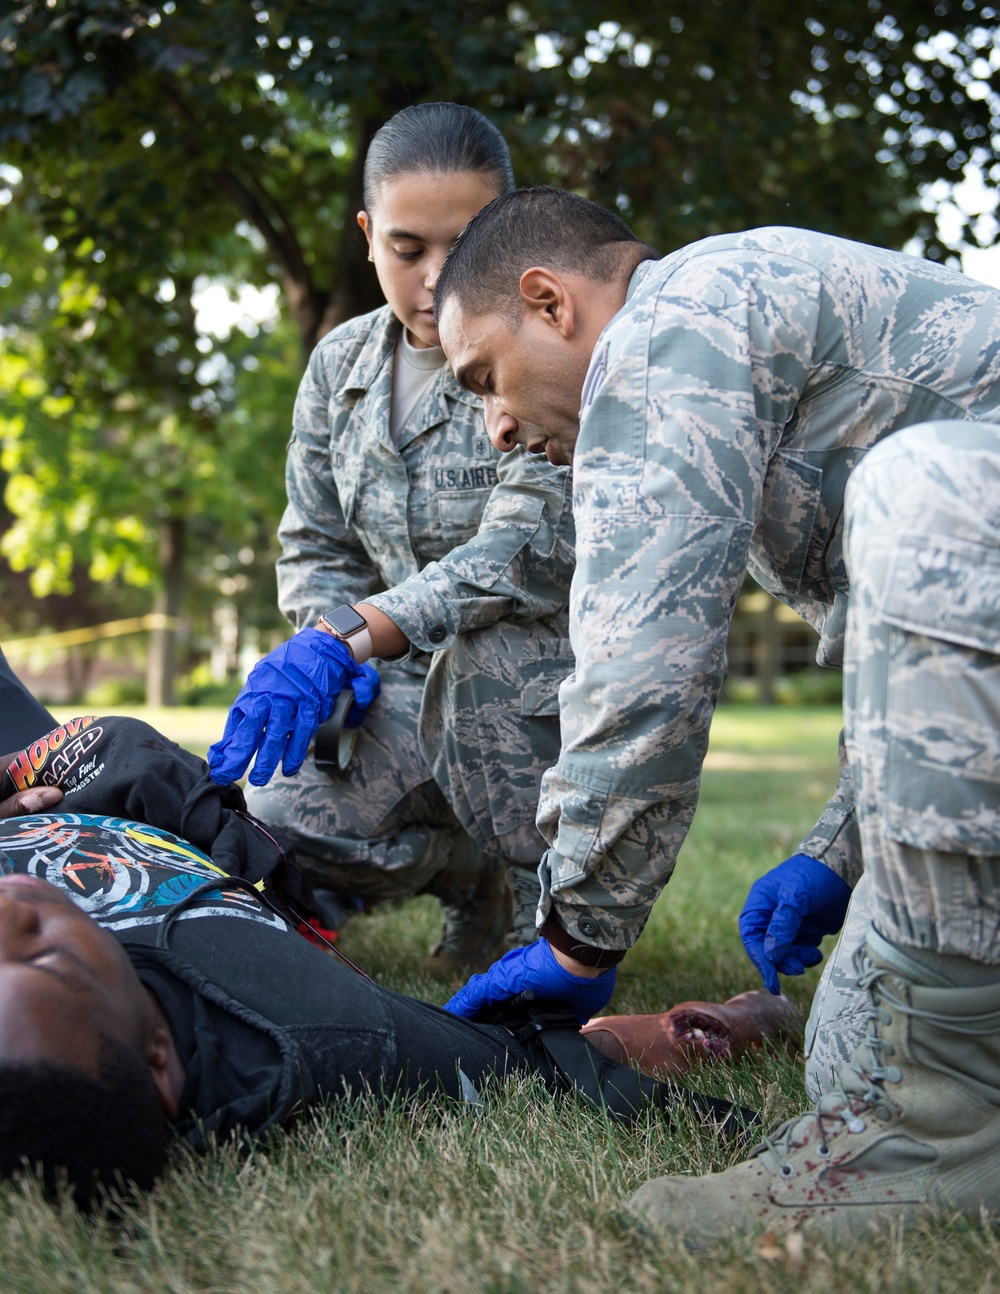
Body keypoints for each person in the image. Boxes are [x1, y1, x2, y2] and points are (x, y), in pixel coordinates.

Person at [432, 187, 1000, 1237]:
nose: (496, 424)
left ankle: (939, 1135)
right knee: (853, 1040)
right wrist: (838, 850)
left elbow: (640, 674)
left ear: (549, 302)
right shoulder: (733, 336)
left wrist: (576, 937)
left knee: (918, 491)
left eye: (484, 377)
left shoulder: (665, 330)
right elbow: (928, 664)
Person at [0, 710, 751, 1207]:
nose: (8, 913)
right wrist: (717, 1023)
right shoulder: (305, 1023)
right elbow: (546, 1065)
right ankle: (464, 875)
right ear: (159, 1058)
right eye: (43, 961)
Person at [209, 103, 576, 974]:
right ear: (369, 234)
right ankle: (470, 874)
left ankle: (550, 923)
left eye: (467, 244)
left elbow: (521, 551)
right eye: (408, 249)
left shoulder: (555, 352)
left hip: (537, 684)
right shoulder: (340, 365)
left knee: (507, 700)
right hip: (393, 679)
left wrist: (357, 629)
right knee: (273, 815)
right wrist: (332, 650)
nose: (438, 277)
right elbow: (314, 541)